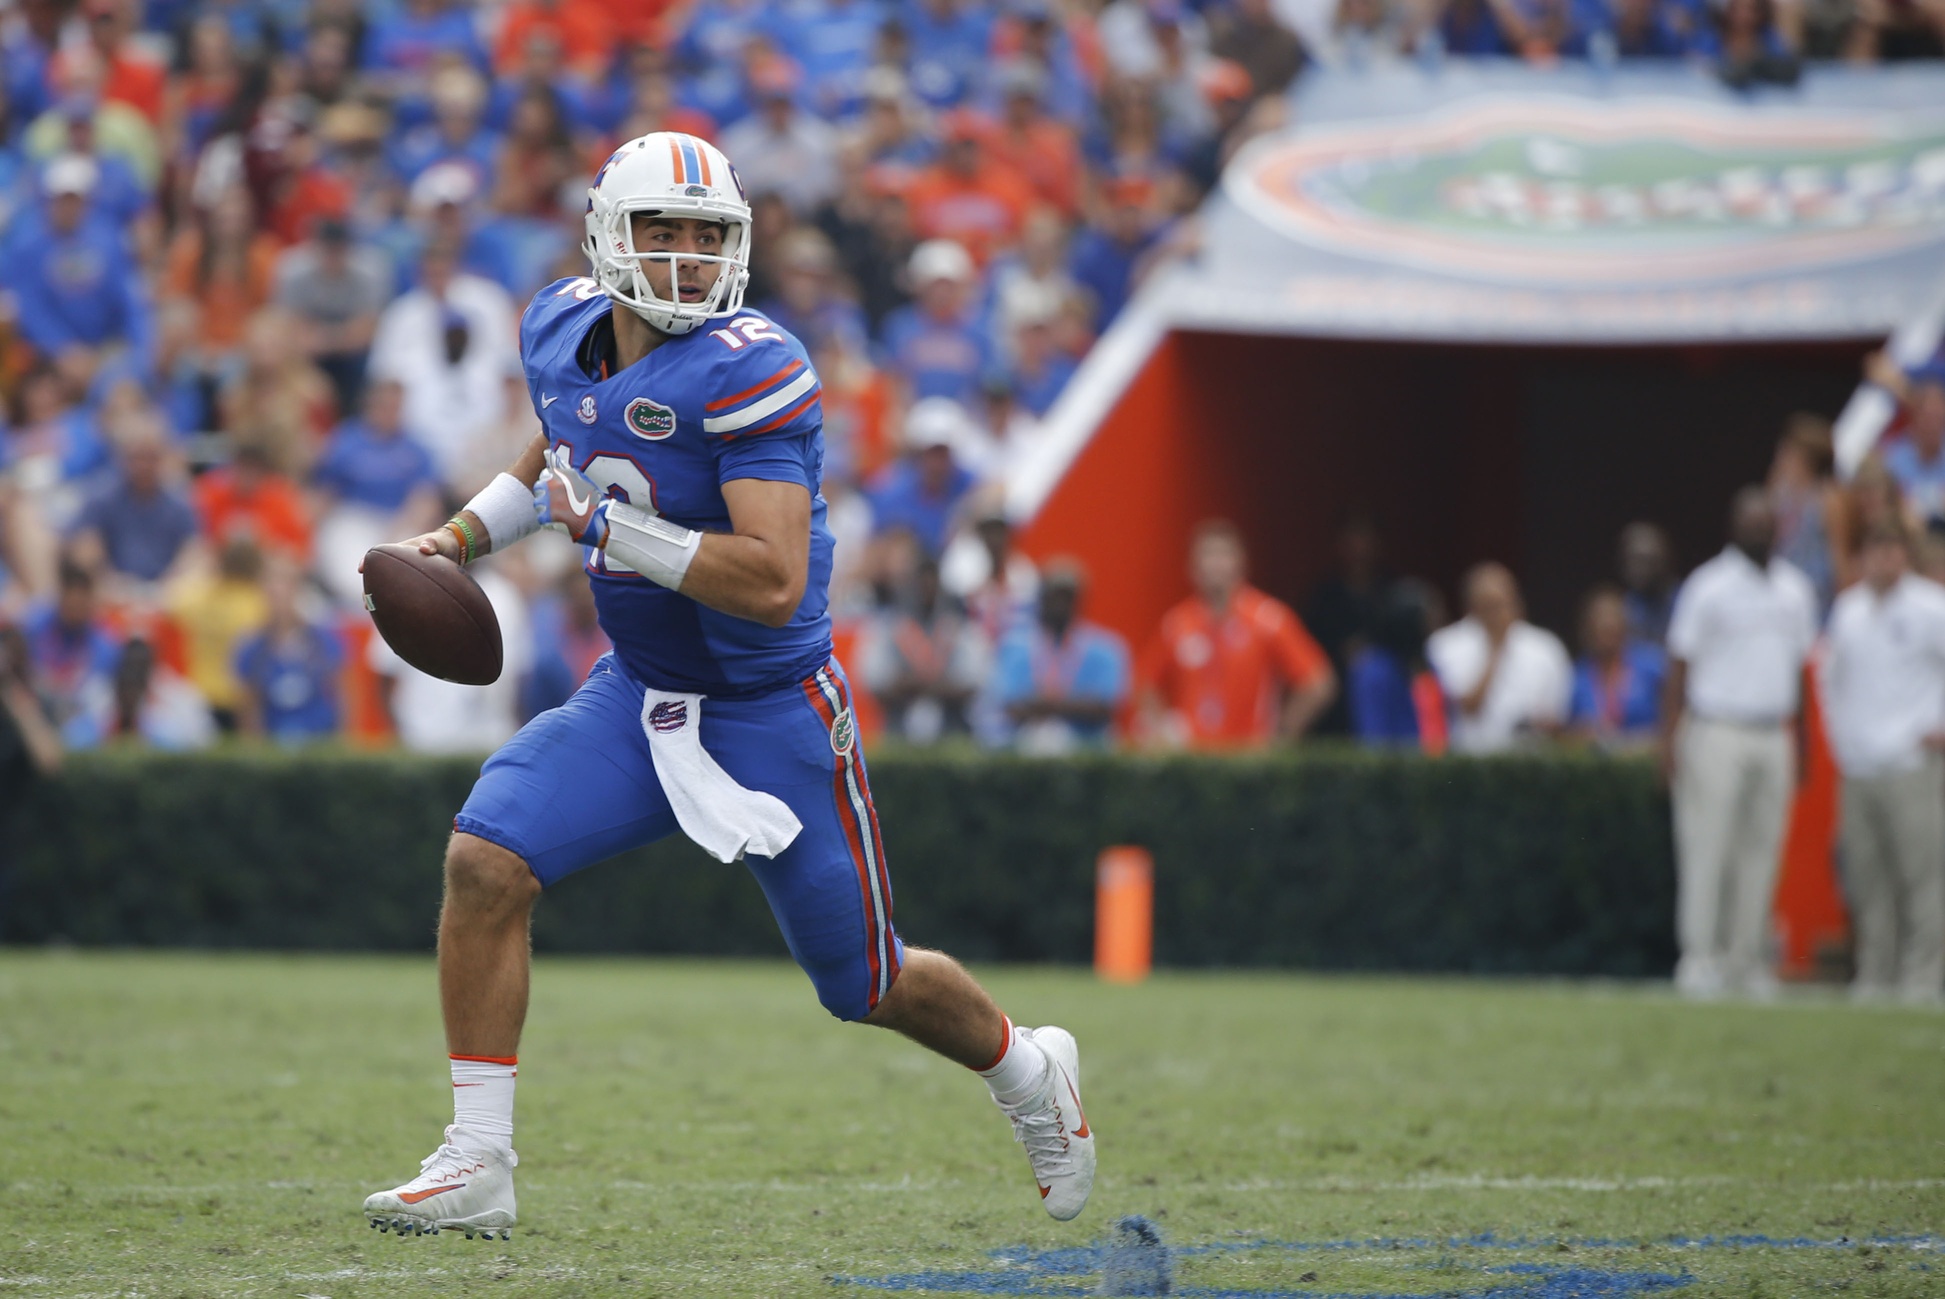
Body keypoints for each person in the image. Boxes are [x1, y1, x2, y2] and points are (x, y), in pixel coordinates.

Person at [358, 132, 1096, 1238]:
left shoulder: (753, 366)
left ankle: (1027, 1070)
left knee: (867, 982)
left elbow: (768, 578)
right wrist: (457, 541)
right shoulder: (562, 323)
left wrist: (609, 527)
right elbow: (560, 448)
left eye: (709, 235)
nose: (689, 256)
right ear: (609, 235)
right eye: (664, 230)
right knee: (484, 860)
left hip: (769, 713)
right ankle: (476, 1160)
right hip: (640, 692)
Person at [1659, 487, 1819, 1000]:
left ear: (1780, 528)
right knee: (1708, 846)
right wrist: (1669, 742)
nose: (1761, 531)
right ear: (1734, 528)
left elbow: (1801, 676)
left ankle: (1746, 959)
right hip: (1717, 729)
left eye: (1768, 523)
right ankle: (1700, 957)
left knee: (1762, 851)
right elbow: (1678, 668)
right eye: (1751, 523)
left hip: (1773, 731)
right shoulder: (1708, 586)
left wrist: (1805, 747)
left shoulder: (1795, 591)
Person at [1818, 522, 1945, 1006]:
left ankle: (1921, 981)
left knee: (1921, 879)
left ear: (1905, 555)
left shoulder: (1931, 607)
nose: (1884, 559)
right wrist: (1842, 742)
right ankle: (1876, 976)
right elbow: (1831, 683)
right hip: (1860, 766)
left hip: (1912, 762)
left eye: (1892, 549)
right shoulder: (1847, 612)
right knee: (1868, 881)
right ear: (1864, 556)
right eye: (1875, 549)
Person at [1135, 519, 1336, 749]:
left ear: (1241, 563)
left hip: (1247, 761)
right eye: (1207, 556)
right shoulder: (1177, 623)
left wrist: (1281, 736)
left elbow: (1319, 683)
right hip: (1192, 760)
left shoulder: (1268, 619)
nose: (1215, 564)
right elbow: (1144, 683)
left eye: (1223, 555)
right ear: (1191, 567)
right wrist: (1163, 731)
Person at [1426, 563, 1572, 754]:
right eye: (1489, 606)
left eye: (1504, 603)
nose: (1499, 613)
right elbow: (1467, 707)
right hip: (1468, 763)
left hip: (1529, 765)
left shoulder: (1546, 648)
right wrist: (1496, 648)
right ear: (1472, 606)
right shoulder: (1445, 645)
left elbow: (1558, 718)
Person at [988, 559, 1130, 753]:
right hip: (1025, 751)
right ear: (1041, 596)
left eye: (1067, 597)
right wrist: (1074, 705)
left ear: (1080, 599)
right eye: (1053, 595)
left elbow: (1104, 708)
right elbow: (1010, 706)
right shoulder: (1014, 646)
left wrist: (1043, 704)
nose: (1060, 603)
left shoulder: (1106, 648)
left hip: (1086, 752)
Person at [1567, 585, 1666, 750]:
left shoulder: (1653, 665)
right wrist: (1580, 732)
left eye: (1613, 617)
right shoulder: (1578, 675)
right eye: (1600, 619)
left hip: (1646, 757)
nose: (1607, 624)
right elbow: (1567, 729)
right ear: (1588, 627)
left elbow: (1674, 716)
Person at [1616, 521, 1677, 647]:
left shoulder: (1686, 601)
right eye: (1633, 560)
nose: (1640, 568)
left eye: (1647, 560)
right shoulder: (1621, 608)